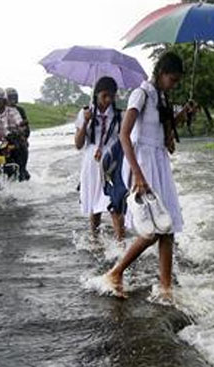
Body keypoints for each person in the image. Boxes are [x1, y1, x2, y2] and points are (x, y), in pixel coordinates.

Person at [104, 52, 197, 300]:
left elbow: (165, 138)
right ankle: (115, 272)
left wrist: (182, 115)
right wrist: (138, 175)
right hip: (141, 163)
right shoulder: (141, 94)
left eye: (177, 81)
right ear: (160, 72)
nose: (173, 84)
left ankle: (166, 288)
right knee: (153, 229)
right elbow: (124, 134)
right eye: (171, 79)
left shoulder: (162, 98)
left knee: (168, 228)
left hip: (159, 162)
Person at [75, 76, 125, 240]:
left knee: (115, 202)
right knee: (94, 203)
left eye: (112, 96)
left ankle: (120, 244)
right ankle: (94, 238)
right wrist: (85, 123)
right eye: (104, 95)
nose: (108, 100)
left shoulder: (118, 116)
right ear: (96, 94)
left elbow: (123, 139)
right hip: (92, 161)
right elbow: (78, 144)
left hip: (112, 162)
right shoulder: (85, 113)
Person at [5, 87, 31, 180]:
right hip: (2, 140)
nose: (12, 100)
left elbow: (26, 127)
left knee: (23, 147)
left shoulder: (20, 110)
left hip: (17, 139)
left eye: (14, 97)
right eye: (10, 97)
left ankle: (22, 170)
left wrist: (23, 133)